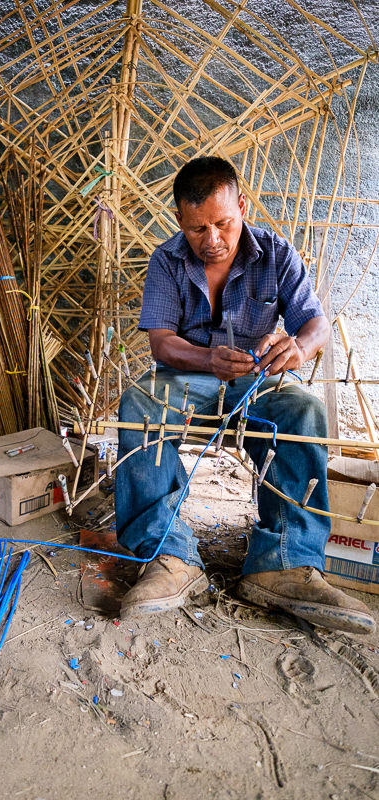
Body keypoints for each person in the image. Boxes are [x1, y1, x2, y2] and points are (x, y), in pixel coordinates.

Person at [115, 156, 375, 635]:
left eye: (223, 224)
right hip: (187, 375)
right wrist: (206, 359)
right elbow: (161, 342)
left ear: (242, 207)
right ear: (179, 220)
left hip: (259, 377)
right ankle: (167, 557)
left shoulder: (275, 252)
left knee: (303, 409)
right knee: (138, 404)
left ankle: (284, 564)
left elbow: (315, 324)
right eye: (197, 229)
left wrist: (298, 346)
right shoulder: (166, 260)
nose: (211, 240)